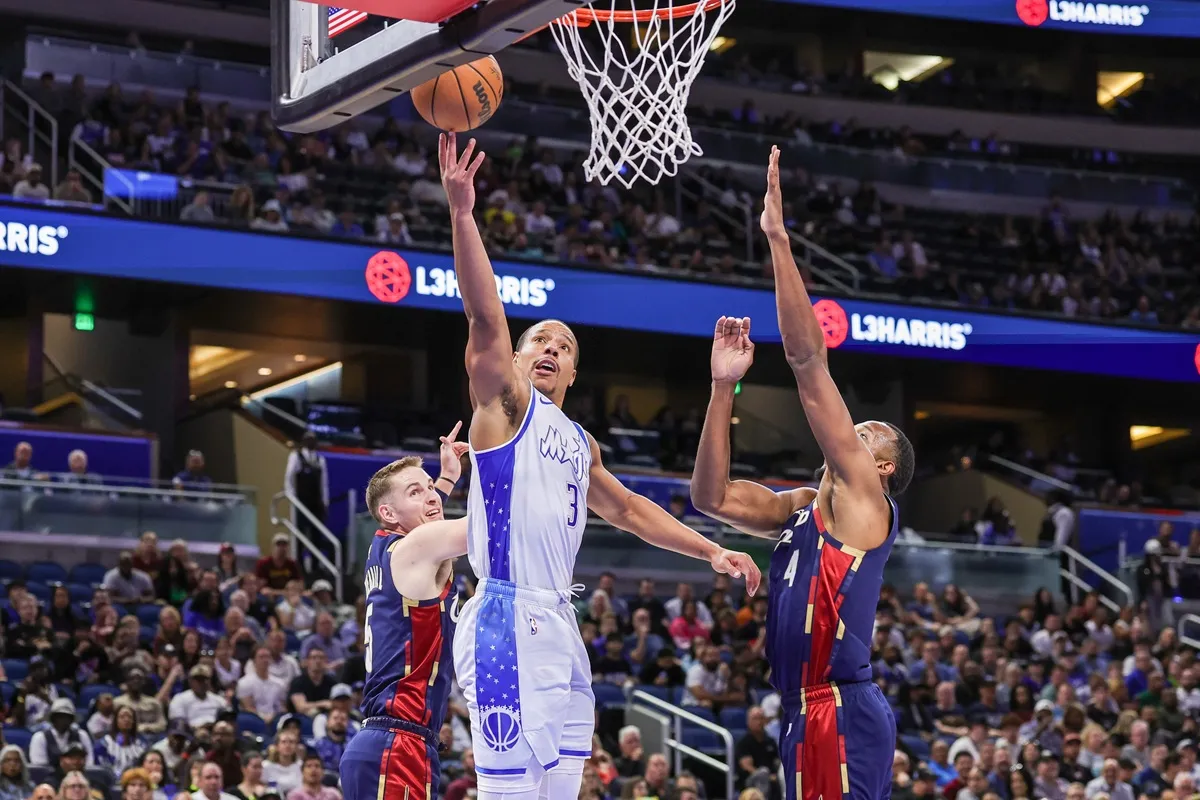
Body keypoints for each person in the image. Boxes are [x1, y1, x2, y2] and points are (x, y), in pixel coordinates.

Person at [437, 131, 761, 800]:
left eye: (565, 344)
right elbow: (482, 314)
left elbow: (632, 511)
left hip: (560, 622)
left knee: (562, 792)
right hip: (503, 616)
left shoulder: (581, 443)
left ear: (576, 369)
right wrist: (463, 214)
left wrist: (712, 552)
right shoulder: (504, 404)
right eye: (539, 341)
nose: (551, 348)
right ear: (519, 360)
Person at [690, 146, 915, 800]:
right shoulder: (797, 510)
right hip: (798, 709)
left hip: (840, 707)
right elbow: (710, 496)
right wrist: (721, 389)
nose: (855, 429)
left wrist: (779, 240)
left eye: (869, 432)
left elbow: (808, 364)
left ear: (881, 467)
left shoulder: (867, 506)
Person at [339, 422, 472, 800]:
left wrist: (447, 476)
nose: (432, 496)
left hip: (397, 741)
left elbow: (428, 517)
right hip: (396, 744)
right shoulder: (414, 548)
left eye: (430, 488)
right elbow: (488, 525)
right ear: (387, 512)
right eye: (416, 491)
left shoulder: (388, 546)